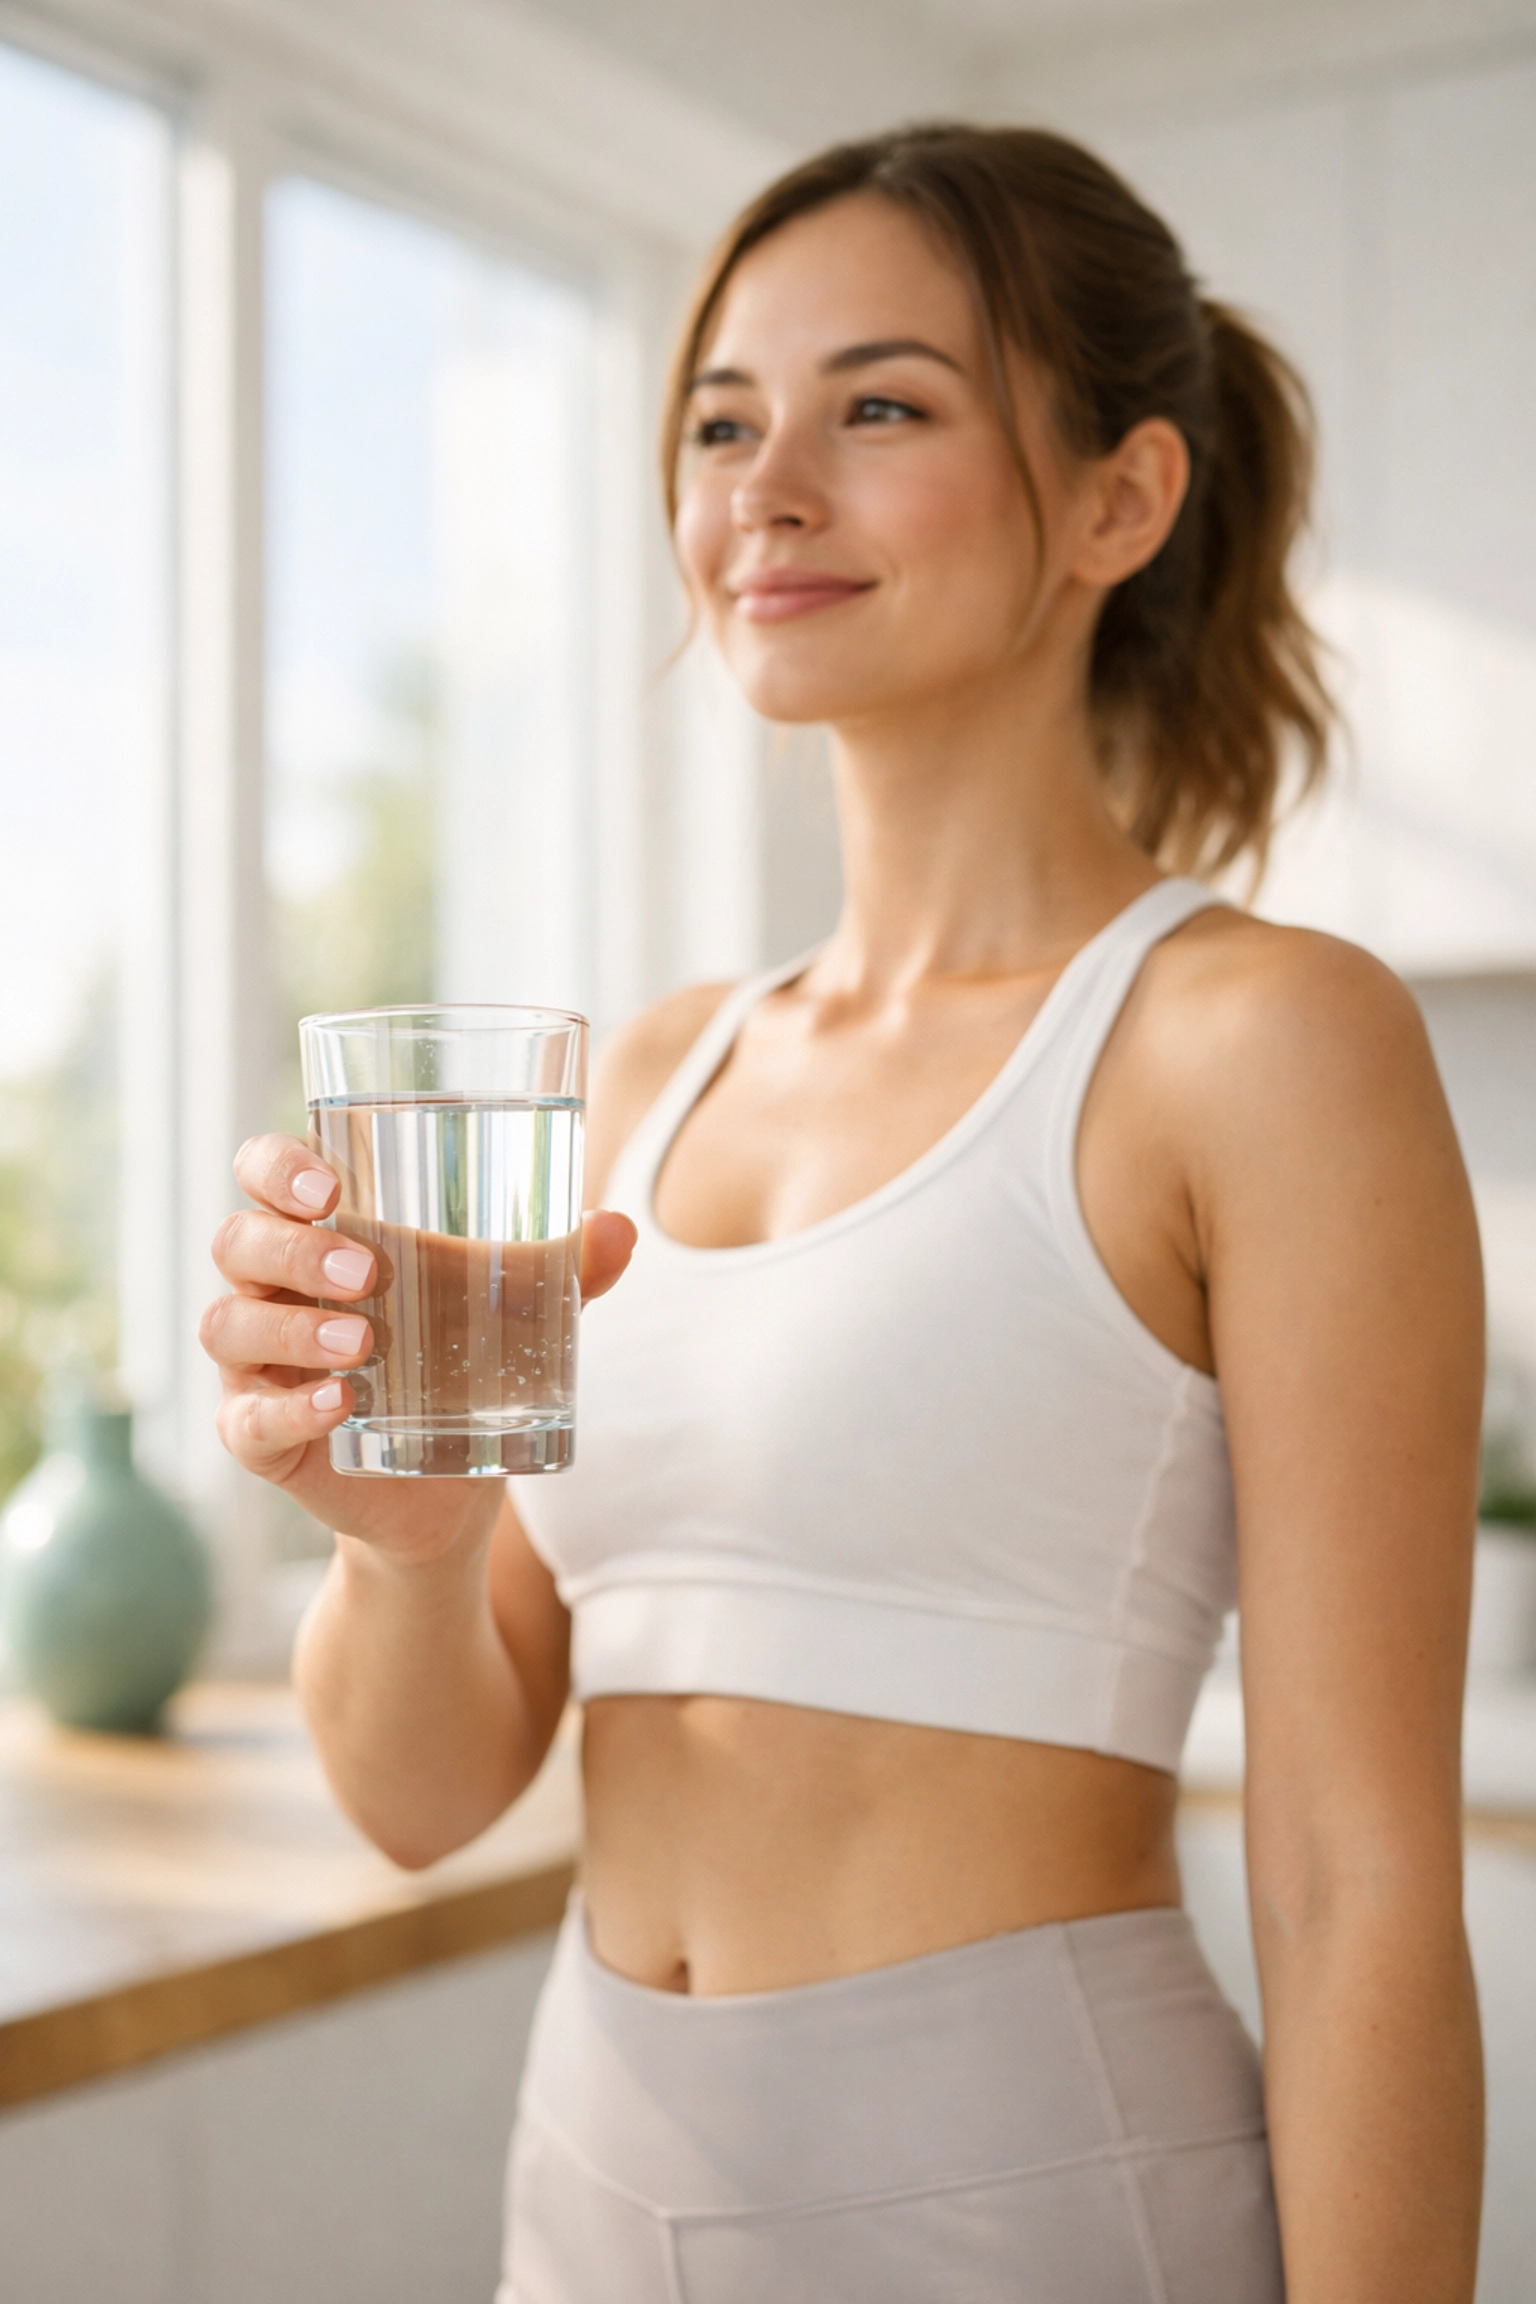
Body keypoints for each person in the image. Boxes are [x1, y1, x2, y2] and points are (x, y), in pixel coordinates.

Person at [203, 124, 1484, 2302]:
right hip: (586, 2195)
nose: (762, 488)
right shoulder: (636, 1077)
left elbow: (1359, 1885)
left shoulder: (1252, 1043)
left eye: (878, 405)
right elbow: (421, 1794)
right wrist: (395, 1543)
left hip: (1038, 2201)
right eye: (722, 421)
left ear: (1120, 497)